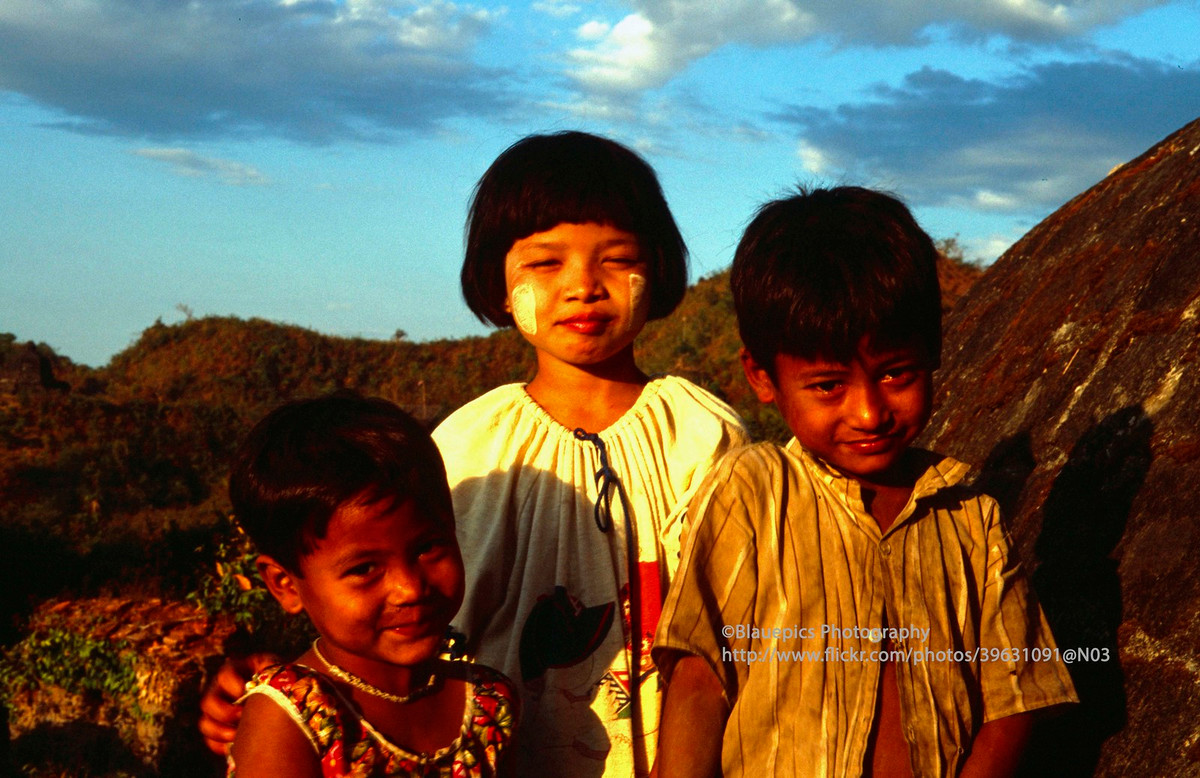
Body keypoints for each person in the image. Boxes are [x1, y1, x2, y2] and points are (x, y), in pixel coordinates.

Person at [200, 132, 749, 777]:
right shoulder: (469, 445)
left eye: (614, 259)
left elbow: (728, 631)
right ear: (498, 277)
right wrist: (267, 683)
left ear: (654, 269)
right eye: (546, 264)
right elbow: (388, 614)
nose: (583, 287)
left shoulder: (702, 432)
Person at [653, 187, 1077, 777]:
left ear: (932, 351)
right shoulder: (753, 490)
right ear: (762, 376)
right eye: (828, 385)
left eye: (896, 373)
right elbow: (701, 674)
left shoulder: (969, 515)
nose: (870, 413)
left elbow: (1016, 696)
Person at [224, 393, 517, 777]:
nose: (410, 589)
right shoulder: (292, 716)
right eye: (364, 569)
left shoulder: (488, 703)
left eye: (428, 547)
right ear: (286, 585)